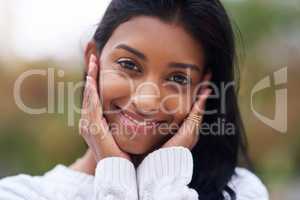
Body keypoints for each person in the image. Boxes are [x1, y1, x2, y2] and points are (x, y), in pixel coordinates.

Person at [0, 0, 269, 199]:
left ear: (202, 89)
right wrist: (116, 171)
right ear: (92, 57)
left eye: (177, 78)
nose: (147, 101)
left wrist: (162, 179)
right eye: (129, 64)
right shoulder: (20, 194)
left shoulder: (240, 191)